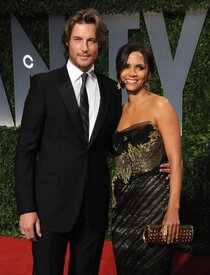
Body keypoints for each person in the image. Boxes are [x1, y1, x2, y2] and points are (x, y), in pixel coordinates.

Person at [15, 9, 170, 274]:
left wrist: (157, 162)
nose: (84, 47)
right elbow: (25, 152)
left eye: (91, 40)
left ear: (99, 44)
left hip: (93, 208)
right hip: (50, 208)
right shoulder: (44, 85)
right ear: (67, 43)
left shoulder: (111, 89)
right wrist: (26, 208)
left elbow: (112, 145)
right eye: (78, 39)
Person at [111, 42, 182, 275]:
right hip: (122, 212)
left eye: (139, 67)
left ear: (148, 72)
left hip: (154, 207)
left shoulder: (161, 105)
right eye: (126, 66)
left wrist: (173, 209)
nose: (132, 73)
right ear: (119, 72)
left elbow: (176, 161)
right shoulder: (118, 111)